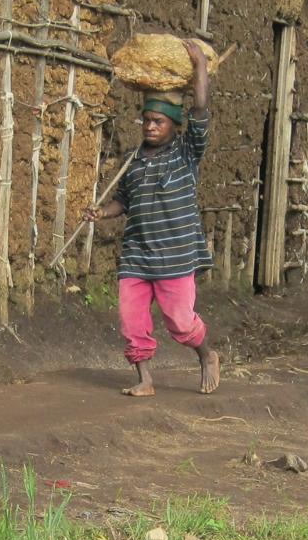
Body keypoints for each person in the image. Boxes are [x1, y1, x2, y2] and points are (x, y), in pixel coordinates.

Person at [85, 41, 220, 398]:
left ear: (174, 126)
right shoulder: (133, 162)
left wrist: (200, 70)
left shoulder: (186, 153)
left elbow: (201, 113)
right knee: (132, 321)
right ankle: (144, 379)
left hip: (175, 257)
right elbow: (122, 202)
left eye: (158, 121)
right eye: (146, 121)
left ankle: (206, 355)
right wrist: (102, 212)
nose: (150, 127)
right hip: (138, 256)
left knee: (180, 321)